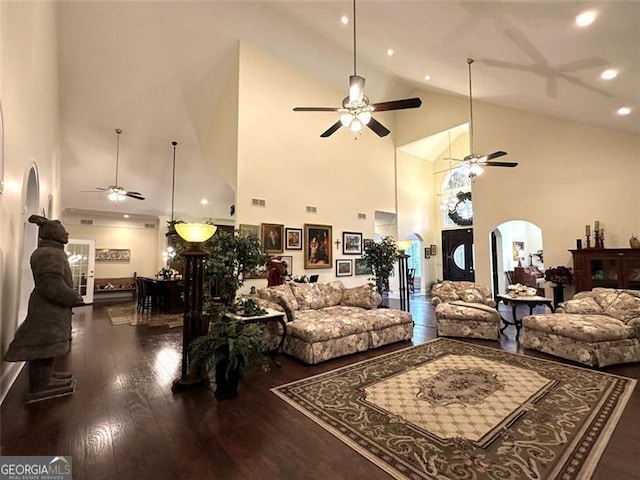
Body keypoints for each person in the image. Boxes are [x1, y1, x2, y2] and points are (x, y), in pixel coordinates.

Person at [4, 215, 84, 403]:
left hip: (52, 309)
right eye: (63, 230)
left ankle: (46, 377)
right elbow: (51, 285)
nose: (67, 233)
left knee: (49, 344)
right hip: (48, 309)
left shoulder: (51, 252)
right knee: (44, 342)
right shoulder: (49, 253)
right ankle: (40, 383)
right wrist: (74, 297)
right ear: (53, 233)